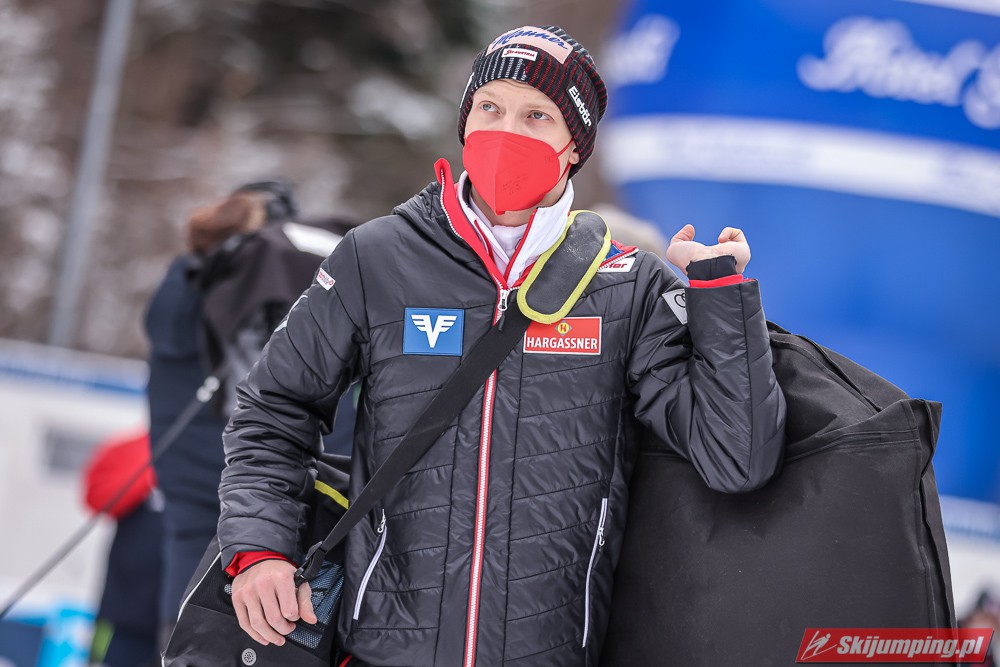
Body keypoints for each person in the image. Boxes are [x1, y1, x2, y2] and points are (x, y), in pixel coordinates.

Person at [218, 25, 786, 667]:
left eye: (536, 115)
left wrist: (719, 294)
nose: (506, 130)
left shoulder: (627, 285)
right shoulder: (377, 256)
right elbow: (274, 408)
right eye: (490, 107)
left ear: (574, 147)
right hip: (383, 650)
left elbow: (737, 459)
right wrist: (260, 548)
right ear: (465, 121)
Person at [146, 183, 357, 643]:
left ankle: (176, 647)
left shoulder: (181, 285)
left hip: (183, 473)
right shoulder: (256, 284)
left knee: (185, 592)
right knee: (262, 609)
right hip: (254, 476)